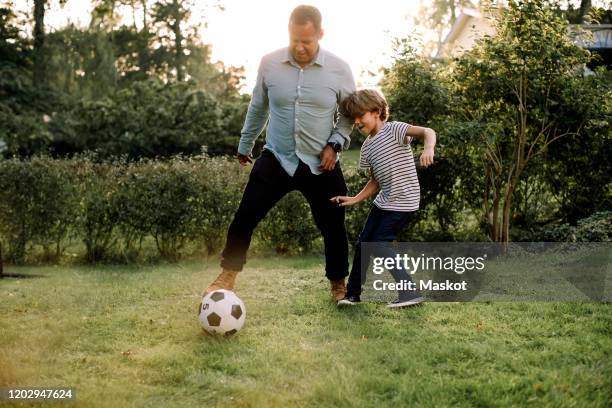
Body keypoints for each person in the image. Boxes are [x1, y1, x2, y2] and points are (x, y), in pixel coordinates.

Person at [201, 5, 356, 303]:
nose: (299, 47)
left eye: (307, 42)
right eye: (294, 39)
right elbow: (258, 106)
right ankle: (227, 275)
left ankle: (339, 283)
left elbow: (349, 114)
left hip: (320, 162)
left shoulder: (339, 68)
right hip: (277, 157)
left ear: (320, 35)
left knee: (334, 225)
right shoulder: (270, 63)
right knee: (245, 217)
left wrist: (335, 144)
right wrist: (245, 145)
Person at [331, 89, 436, 308]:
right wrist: (354, 199)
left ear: (377, 111)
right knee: (363, 244)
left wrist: (428, 149)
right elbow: (375, 182)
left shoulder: (395, 129)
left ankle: (410, 293)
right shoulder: (367, 148)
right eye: (354, 118)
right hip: (384, 201)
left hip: (404, 201)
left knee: (378, 243)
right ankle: (352, 295)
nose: (357, 122)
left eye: (361, 116)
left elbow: (428, 131)